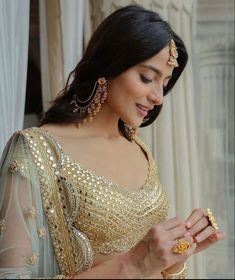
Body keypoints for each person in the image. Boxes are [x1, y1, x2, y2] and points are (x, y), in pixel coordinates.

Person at [0, 5, 225, 279]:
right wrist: (131, 265)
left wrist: (176, 257)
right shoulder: (36, 150)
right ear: (108, 67)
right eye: (147, 78)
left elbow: (155, 267)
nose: (158, 97)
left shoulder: (139, 149)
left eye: (164, 84)